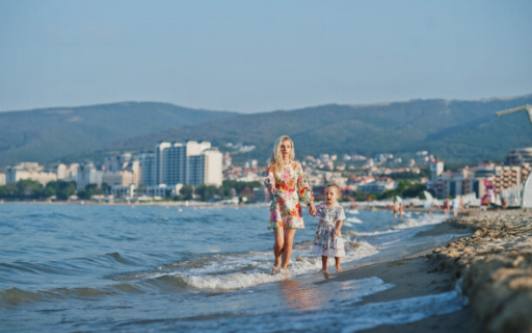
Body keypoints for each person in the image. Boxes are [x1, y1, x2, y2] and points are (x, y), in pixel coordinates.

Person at [264, 135, 316, 274]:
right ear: (277, 148)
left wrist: (311, 203)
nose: (285, 149)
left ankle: (284, 269)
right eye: (282, 146)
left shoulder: (296, 166)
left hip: (293, 206)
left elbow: (303, 185)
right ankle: (276, 260)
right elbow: (269, 183)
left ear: (291, 148)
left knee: (289, 240)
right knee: (279, 242)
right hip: (278, 206)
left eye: (288, 146)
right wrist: (270, 187)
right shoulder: (272, 167)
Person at [313, 184, 346, 278]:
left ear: (337, 196)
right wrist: (311, 207)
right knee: (324, 251)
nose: (328, 196)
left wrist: (338, 229)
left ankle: (337, 264)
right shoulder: (321, 206)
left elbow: (341, 219)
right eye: (326, 193)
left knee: (337, 249)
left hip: (334, 231)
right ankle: (324, 267)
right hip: (323, 231)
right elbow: (314, 213)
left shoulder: (339, 208)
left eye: (331, 194)